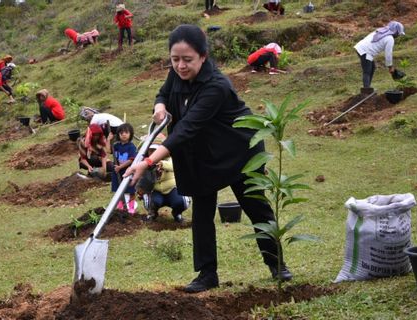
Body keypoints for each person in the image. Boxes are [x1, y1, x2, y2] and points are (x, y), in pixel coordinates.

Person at [124, 24, 292, 293]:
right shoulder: (177, 74)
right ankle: (207, 274)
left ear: (203, 56)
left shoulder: (217, 86)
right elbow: (164, 92)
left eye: (187, 60)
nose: (180, 66)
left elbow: (187, 128)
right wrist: (159, 105)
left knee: (256, 206)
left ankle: (277, 264)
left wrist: (146, 160)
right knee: (202, 213)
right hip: (202, 154)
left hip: (239, 151)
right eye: (175, 59)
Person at [140, 137, 190, 223]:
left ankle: (177, 213)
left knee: (182, 201)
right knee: (149, 201)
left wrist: (162, 164)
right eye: (151, 150)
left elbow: (174, 166)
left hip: (172, 189)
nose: (153, 153)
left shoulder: (169, 159)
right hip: (156, 191)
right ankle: (153, 213)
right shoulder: (145, 163)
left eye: (156, 150)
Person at [354, 21, 405, 94]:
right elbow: (388, 54)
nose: (398, 36)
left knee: (372, 67)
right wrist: (390, 67)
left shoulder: (381, 31)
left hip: (361, 48)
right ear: (395, 32)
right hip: (366, 51)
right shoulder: (390, 38)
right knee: (367, 71)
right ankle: (366, 92)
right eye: (398, 34)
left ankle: (368, 89)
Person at [110, 123, 138, 214]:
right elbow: (107, 150)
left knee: (130, 190)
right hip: (117, 172)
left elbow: (131, 160)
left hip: (128, 171)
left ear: (130, 134)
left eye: (126, 132)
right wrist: (108, 140)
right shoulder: (116, 145)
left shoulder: (131, 146)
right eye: (121, 133)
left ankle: (131, 207)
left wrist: (120, 167)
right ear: (118, 135)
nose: (124, 134)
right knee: (118, 190)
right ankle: (120, 205)